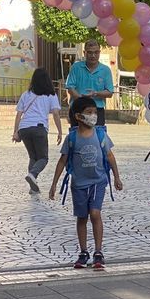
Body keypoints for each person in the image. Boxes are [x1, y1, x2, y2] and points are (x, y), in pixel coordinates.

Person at [49, 97, 123, 269]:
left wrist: (117, 177)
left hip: (98, 181)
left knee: (95, 214)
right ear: (78, 116)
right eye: (89, 112)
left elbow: (110, 156)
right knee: (82, 217)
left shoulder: (100, 134)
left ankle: (98, 251)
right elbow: (62, 161)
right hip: (79, 184)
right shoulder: (72, 138)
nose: (93, 116)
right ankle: (83, 252)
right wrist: (54, 184)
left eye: (95, 112)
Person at [12, 68, 63, 194]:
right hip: (39, 128)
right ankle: (32, 174)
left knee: (33, 157)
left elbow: (19, 114)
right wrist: (60, 131)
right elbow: (56, 114)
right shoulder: (51, 95)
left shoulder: (26, 94)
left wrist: (16, 131)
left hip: (24, 129)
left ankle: (32, 187)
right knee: (43, 158)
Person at [65, 39, 114, 127]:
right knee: (77, 137)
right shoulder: (76, 67)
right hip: (78, 108)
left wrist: (96, 93)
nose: (93, 55)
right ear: (85, 53)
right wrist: (81, 99)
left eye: (96, 52)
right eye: (90, 52)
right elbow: (70, 87)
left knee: (98, 137)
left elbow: (110, 92)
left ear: (99, 52)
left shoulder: (105, 70)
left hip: (97, 109)